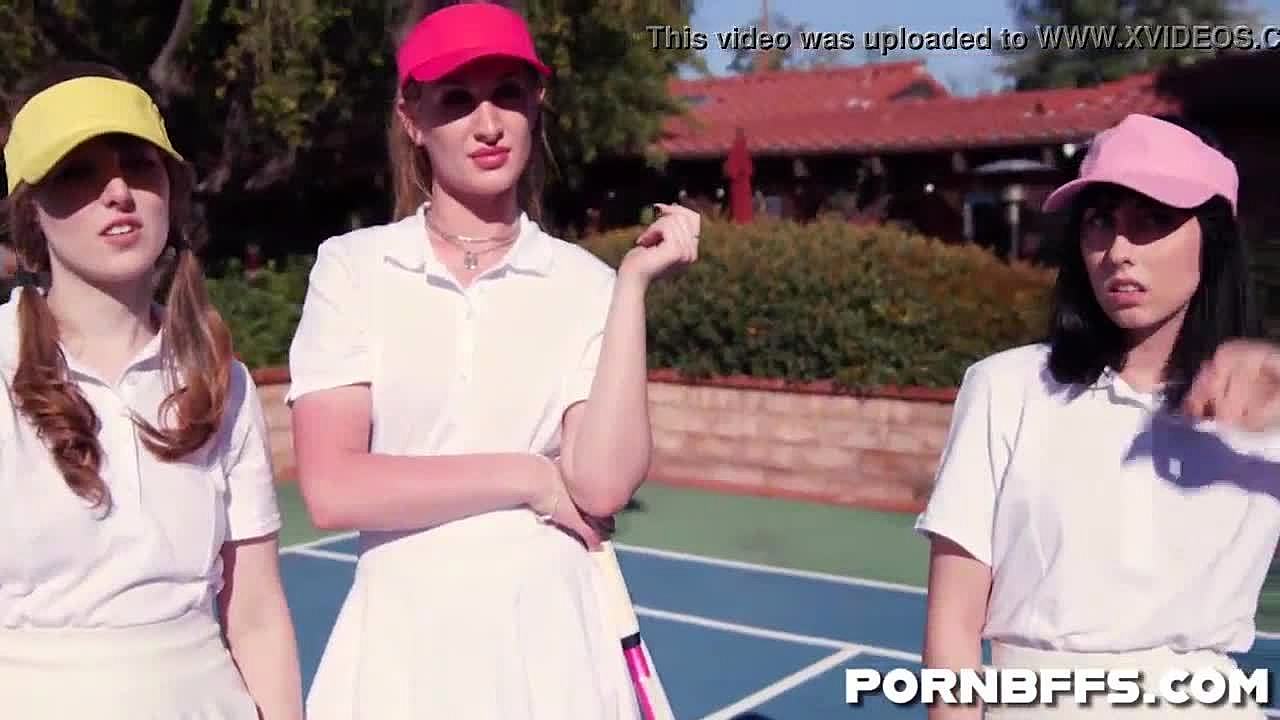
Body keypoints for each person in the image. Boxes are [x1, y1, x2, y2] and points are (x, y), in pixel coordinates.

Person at [286, 2, 700, 719]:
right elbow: (333, 489)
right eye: (456, 99)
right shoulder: (352, 268)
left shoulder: (586, 283)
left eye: (508, 94)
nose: (488, 124)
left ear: (536, 105)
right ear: (412, 119)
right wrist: (529, 477)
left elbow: (602, 485)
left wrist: (631, 286)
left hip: (553, 649)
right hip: (401, 651)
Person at [916, 112, 1280, 718]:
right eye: (1100, 222)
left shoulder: (1262, 409)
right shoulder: (1005, 388)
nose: (1118, 251)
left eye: (1152, 220)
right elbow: (953, 626)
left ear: (1213, 239)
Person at [0, 62, 303, 719]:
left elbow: (256, 614)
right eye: (77, 173)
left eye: (139, 166)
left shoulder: (221, 380)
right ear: (32, 213)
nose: (118, 192)